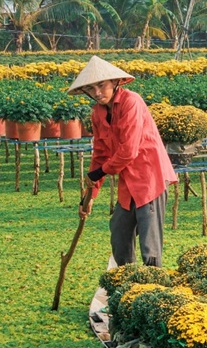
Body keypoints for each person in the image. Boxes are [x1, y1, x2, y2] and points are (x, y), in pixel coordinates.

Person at [69, 55, 178, 267]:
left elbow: (129, 150)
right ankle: (128, 282)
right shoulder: (98, 113)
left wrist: (100, 172)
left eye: (101, 85)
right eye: (91, 89)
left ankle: (152, 287)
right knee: (119, 233)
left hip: (150, 177)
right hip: (128, 182)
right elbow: (100, 153)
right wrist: (90, 195)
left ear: (115, 82)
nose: (98, 93)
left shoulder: (131, 102)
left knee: (150, 245)